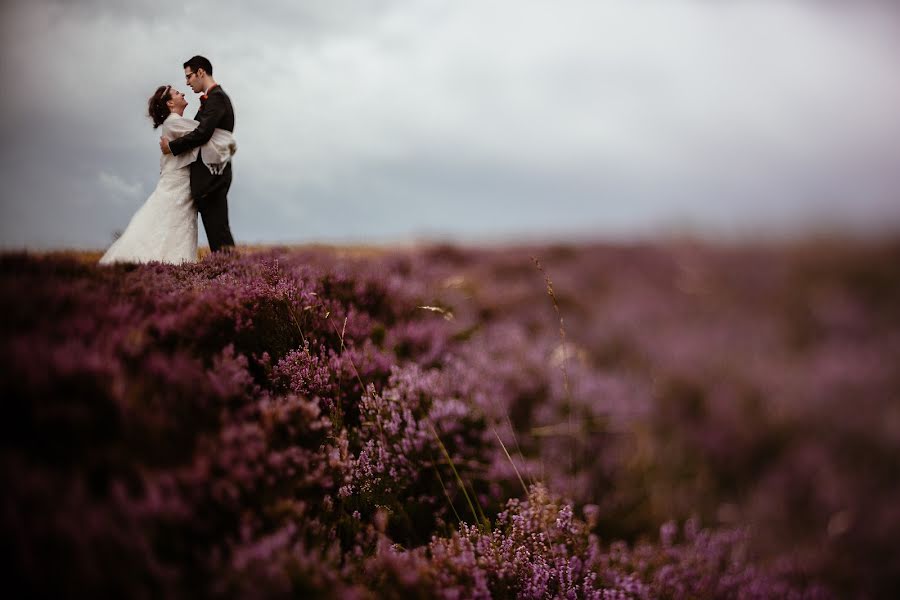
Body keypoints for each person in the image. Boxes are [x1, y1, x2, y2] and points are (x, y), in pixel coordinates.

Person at [99, 86, 234, 265]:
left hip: (180, 182)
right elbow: (205, 132)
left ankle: (168, 265)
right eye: (178, 93)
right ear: (170, 103)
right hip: (178, 183)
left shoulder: (175, 122)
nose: (183, 93)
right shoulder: (174, 122)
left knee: (171, 224)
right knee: (171, 222)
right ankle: (170, 264)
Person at [160, 55, 236, 252]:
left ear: (201, 72)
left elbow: (202, 134)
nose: (187, 82)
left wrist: (172, 147)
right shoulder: (211, 100)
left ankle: (232, 276)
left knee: (218, 232)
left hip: (213, 175)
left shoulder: (217, 98)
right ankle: (230, 275)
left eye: (189, 76)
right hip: (210, 175)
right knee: (216, 231)